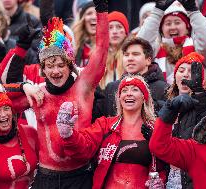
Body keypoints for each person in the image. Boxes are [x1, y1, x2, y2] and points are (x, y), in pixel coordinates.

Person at [19, 0, 108, 188]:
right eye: (50, 66)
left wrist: (102, 12)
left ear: (70, 65)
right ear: (43, 69)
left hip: (79, 176)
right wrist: (23, 86)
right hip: (45, 178)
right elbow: (2, 98)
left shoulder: (83, 86)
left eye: (60, 65)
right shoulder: (37, 92)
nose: (55, 71)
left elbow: (101, 49)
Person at [56, 75, 166, 189]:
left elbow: (165, 165)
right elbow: (84, 147)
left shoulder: (155, 128)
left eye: (135, 90)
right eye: (124, 90)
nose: (128, 93)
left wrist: (160, 182)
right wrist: (69, 135)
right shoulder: (105, 125)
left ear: (144, 97)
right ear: (119, 98)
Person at [154, 52, 206, 188]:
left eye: (191, 71)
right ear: (175, 76)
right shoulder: (166, 106)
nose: (186, 74)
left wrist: (198, 91)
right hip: (169, 180)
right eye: (181, 70)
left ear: (199, 79)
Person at [137, 0, 206, 84]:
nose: (173, 27)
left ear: (188, 27)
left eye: (177, 22)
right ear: (161, 30)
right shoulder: (155, 50)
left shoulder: (198, 49)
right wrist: (157, 13)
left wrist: (193, 12)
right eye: (168, 23)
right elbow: (139, 47)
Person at [104, 37, 168, 117]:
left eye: (135, 54)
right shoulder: (111, 87)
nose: (130, 59)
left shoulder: (164, 89)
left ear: (148, 60)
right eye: (126, 55)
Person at [99, 11, 129, 90]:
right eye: (110, 27)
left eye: (119, 27)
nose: (115, 31)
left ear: (125, 32)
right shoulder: (98, 56)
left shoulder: (130, 54)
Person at [72, 1, 96, 67]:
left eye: (97, 13)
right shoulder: (73, 45)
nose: (94, 17)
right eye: (89, 13)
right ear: (82, 19)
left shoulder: (109, 46)